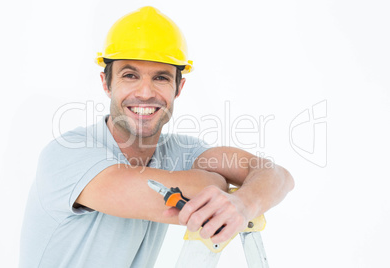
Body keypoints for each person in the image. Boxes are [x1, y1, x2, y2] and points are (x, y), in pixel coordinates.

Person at [19, 6, 294, 268]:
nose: (146, 93)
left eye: (161, 78)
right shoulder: (68, 154)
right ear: (106, 83)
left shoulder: (181, 152)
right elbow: (153, 194)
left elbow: (277, 175)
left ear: (178, 87)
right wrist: (216, 182)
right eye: (130, 75)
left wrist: (243, 204)